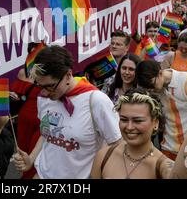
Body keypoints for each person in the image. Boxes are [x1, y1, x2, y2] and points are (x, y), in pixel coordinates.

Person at [12, 45, 121, 179]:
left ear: (68, 75)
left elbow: (117, 144)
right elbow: (46, 133)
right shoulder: (44, 97)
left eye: (50, 86)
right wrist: (31, 159)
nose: (44, 92)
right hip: (41, 175)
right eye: (40, 85)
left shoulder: (96, 100)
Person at [91, 89, 187, 179]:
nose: (129, 127)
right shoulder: (104, 156)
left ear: (155, 122)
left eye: (138, 120)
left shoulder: (160, 164)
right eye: (124, 119)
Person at [136, 60, 187, 178]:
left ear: (160, 73)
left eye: (152, 85)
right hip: (167, 148)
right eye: (147, 87)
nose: (150, 90)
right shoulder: (155, 90)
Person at [10, 43, 42, 179]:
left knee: (37, 153)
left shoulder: (50, 74)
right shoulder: (23, 72)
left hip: (42, 119)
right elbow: (17, 94)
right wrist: (12, 95)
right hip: (25, 119)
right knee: (24, 152)